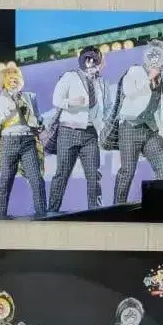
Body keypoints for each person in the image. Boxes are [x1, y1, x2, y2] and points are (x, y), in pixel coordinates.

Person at [107, 39, 163, 205]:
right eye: (153, 54)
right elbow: (129, 91)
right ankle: (117, 208)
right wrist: (148, 79)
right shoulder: (135, 71)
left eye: (160, 55)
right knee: (127, 171)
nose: (156, 59)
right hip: (129, 127)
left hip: (149, 130)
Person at [48, 46, 114, 213]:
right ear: (82, 60)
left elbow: (108, 107)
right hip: (68, 131)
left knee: (94, 175)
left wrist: (105, 124)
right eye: (88, 58)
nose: (91, 62)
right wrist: (71, 102)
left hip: (90, 133)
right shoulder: (70, 76)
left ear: (100, 61)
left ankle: (96, 212)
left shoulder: (102, 83)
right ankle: (51, 212)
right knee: (61, 174)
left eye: (95, 59)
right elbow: (56, 99)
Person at [0, 64, 46, 218]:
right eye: (9, 77)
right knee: (5, 182)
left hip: (28, 141)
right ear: (4, 81)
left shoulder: (30, 97)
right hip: (8, 141)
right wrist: (9, 112)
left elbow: (38, 118)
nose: (13, 79)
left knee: (36, 179)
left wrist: (39, 123)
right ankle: (0, 217)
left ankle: (43, 214)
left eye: (16, 76)